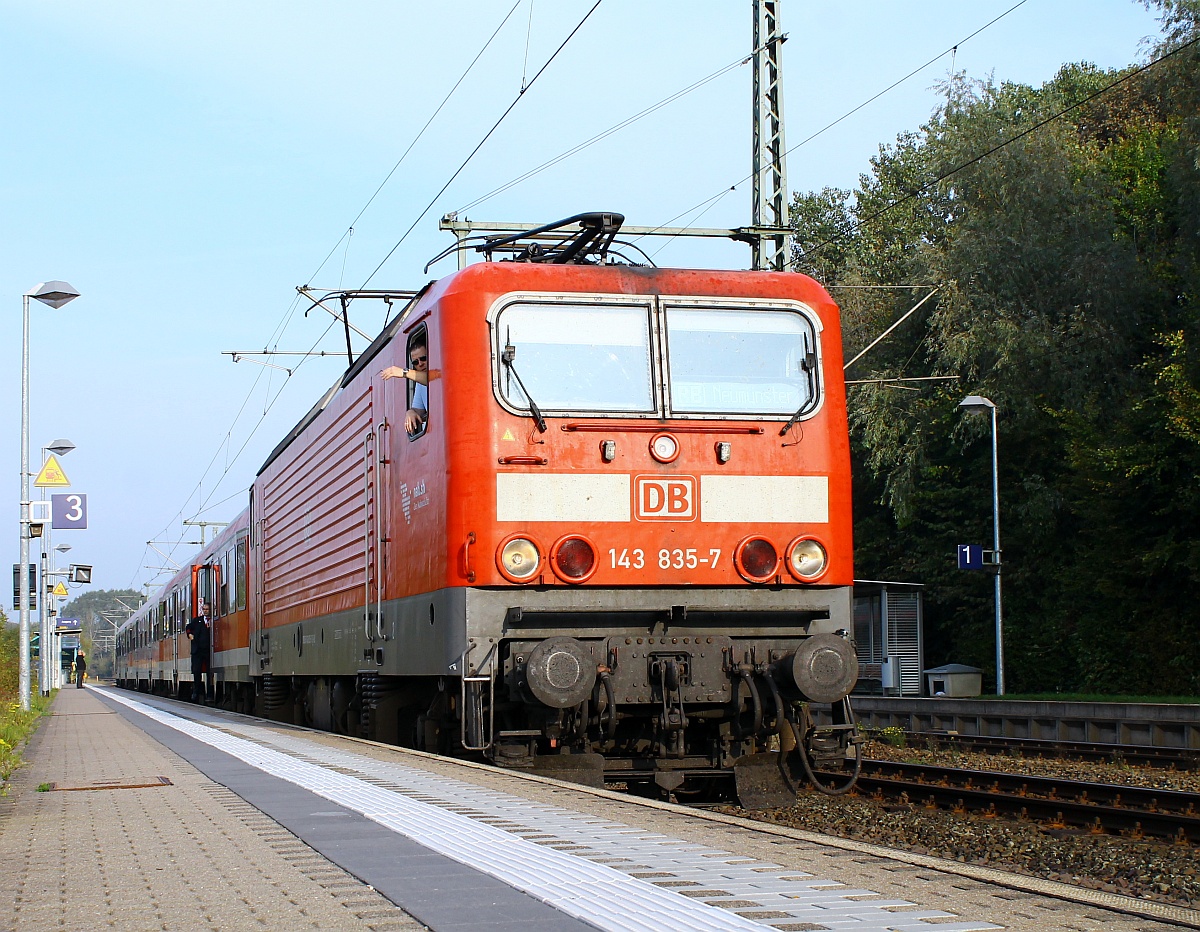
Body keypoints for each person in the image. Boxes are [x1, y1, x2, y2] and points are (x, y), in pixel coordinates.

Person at [380, 335, 429, 434]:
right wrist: (410, 412)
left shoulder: (440, 373)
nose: (420, 364)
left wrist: (404, 372)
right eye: (415, 362)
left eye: (423, 358)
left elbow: (434, 378)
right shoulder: (420, 384)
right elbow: (418, 410)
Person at [185, 605, 211, 703]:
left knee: (209, 672)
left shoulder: (213, 620)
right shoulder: (197, 620)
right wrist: (190, 634)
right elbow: (188, 627)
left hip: (209, 650)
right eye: (204, 609)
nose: (205, 611)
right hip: (198, 650)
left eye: (207, 609)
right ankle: (196, 691)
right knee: (196, 671)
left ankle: (209, 692)